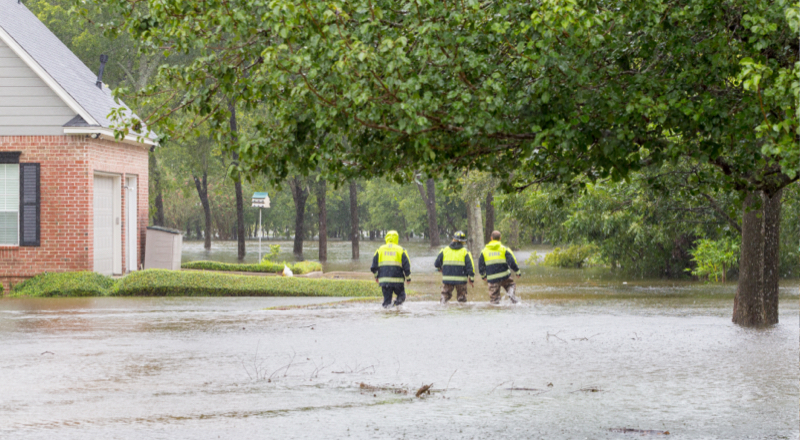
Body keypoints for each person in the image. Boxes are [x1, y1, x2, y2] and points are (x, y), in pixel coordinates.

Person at [370, 230, 411, 308]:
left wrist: (376, 276)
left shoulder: (380, 249)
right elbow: (407, 265)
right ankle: (396, 307)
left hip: (384, 281)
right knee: (401, 296)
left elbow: (374, 266)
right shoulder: (401, 250)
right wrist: (408, 278)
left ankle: (387, 314)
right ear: (397, 238)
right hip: (397, 281)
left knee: (387, 301)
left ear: (386, 238)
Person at [478, 230, 521, 304]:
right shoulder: (504, 249)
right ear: (500, 238)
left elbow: (480, 265)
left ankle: (496, 309)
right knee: (510, 285)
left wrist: (483, 275)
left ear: (491, 238)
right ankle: (511, 295)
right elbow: (511, 262)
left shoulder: (484, 251)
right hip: (505, 276)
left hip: (492, 278)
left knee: (494, 300)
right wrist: (517, 271)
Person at [434, 231, 475, 303]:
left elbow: (436, 264)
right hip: (461, 280)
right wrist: (471, 279)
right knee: (462, 299)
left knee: (444, 298)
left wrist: (440, 269)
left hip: (447, 279)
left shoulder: (445, 250)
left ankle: (441, 311)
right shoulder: (465, 252)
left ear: (453, 239)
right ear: (463, 242)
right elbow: (470, 267)